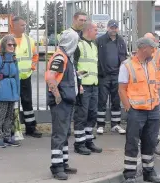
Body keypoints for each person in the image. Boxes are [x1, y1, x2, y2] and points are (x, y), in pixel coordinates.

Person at [119, 37, 160, 183]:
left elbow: (155, 85)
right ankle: (129, 175)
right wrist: (128, 108)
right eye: (152, 48)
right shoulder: (127, 65)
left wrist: (156, 104)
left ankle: (148, 173)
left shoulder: (152, 65)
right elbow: (122, 89)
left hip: (153, 110)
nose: (154, 51)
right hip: (136, 111)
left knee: (150, 142)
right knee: (132, 143)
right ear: (144, 48)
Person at [0, 16, 42, 138]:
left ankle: (31, 128)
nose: (24, 27)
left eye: (25, 25)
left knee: (27, 103)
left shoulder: (29, 40)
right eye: (22, 25)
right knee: (10, 104)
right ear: (14, 26)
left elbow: (35, 56)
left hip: (25, 77)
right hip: (10, 78)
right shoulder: (4, 41)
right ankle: (10, 129)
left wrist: (31, 67)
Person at [45, 30, 82, 180]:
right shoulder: (61, 56)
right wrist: (57, 96)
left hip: (66, 100)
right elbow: (50, 77)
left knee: (65, 133)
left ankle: (63, 163)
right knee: (60, 134)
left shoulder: (65, 56)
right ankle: (56, 167)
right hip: (61, 101)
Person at [72, 21, 103, 155]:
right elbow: (74, 67)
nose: (97, 32)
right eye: (95, 30)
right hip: (83, 86)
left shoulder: (94, 45)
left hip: (94, 85)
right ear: (89, 30)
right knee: (81, 115)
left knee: (92, 114)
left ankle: (88, 140)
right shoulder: (78, 45)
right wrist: (79, 84)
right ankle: (79, 143)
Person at [96, 19, 128, 135]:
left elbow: (124, 56)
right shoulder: (100, 40)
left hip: (117, 76)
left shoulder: (121, 41)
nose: (113, 29)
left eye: (115, 27)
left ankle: (116, 125)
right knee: (102, 100)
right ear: (107, 28)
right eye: (111, 27)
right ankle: (100, 125)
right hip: (104, 75)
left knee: (116, 101)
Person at [0, 35, 21, 148]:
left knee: (9, 117)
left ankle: (7, 137)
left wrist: (17, 93)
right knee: (0, 117)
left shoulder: (13, 58)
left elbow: (17, 77)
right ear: (4, 45)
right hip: (2, 93)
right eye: (9, 44)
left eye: (13, 44)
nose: (12, 46)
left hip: (12, 93)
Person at [143, 32, 160, 141]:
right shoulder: (143, 52)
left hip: (157, 88)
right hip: (145, 88)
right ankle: (146, 132)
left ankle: (156, 132)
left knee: (156, 111)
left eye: (148, 40)